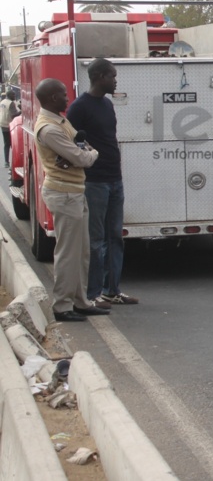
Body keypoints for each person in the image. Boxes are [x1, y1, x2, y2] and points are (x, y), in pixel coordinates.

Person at [34, 78, 109, 322]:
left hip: (74, 191)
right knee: (68, 253)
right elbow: (82, 156)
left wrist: (84, 151)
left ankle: (80, 301)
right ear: (53, 98)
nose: (69, 98)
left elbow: (80, 144)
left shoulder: (60, 120)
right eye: (64, 94)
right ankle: (63, 306)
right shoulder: (50, 128)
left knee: (81, 251)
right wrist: (91, 153)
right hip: (64, 194)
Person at [66, 58, 138, 308]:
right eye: (112, 76)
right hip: (94, 181)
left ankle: (111, 290)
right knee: (96, 241)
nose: (116, 80)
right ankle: (93, 293)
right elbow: (72, 142)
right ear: (99, 77)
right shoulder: (79, 107)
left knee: (115, 236)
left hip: (114, 179)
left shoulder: (107, 104)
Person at [0, 90, 20, 168]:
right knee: (13, 144)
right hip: (9, 125)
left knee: (6, 143)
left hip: (2, 123)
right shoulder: (11, 103)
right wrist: (22, 111)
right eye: (13, 95)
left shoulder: (2, 102)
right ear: (10, 95)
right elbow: (13, 115)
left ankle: (6, 161)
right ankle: (14, 161)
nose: (14, 96)